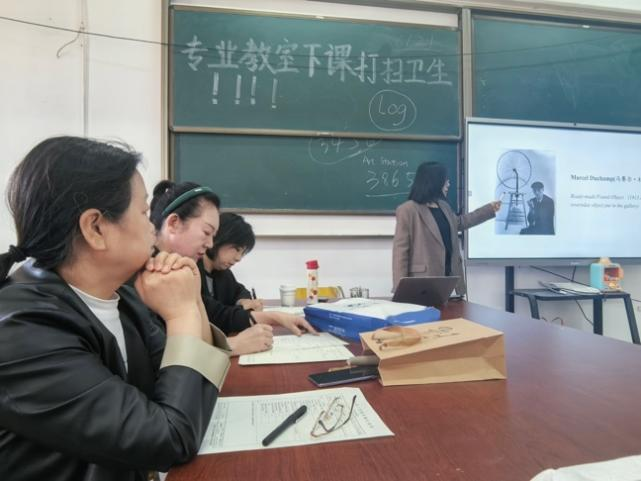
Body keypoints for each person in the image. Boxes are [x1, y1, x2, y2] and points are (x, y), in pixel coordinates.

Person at [0, 136, 231, 481]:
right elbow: (170, 440)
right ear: (95, 228)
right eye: (143, 212)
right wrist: (182, 314)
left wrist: (191, 295)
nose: (152, 226)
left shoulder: (123, 296)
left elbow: (195, 389)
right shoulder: (22, 331)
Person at [150, 181, 317, 356]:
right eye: (206, 232)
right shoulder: (152, 275)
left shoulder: (186, 269)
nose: (210, 244)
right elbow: (167, 355)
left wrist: (257, 311)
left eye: (213, 236)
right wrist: (231, 346)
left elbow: (207, 328)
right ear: (174, 223)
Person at [392, 161, 501, 295]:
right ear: (434, 181)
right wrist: (400, 289)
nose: (448, 184)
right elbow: (400, 253)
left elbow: (460, 222)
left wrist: (489, 209)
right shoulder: (408, 210)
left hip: (449, 281)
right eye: (445, 180)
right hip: (421, 283)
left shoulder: (444, 206)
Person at [201, 212, 263, 312]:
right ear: (218, 238)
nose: (238, 258)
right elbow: (212, 313)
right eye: (237, 249)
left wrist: (242, 301)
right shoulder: (192, 271)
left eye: (242, 253)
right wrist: (240, 310)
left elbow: (240, 291)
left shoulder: (223, 273)